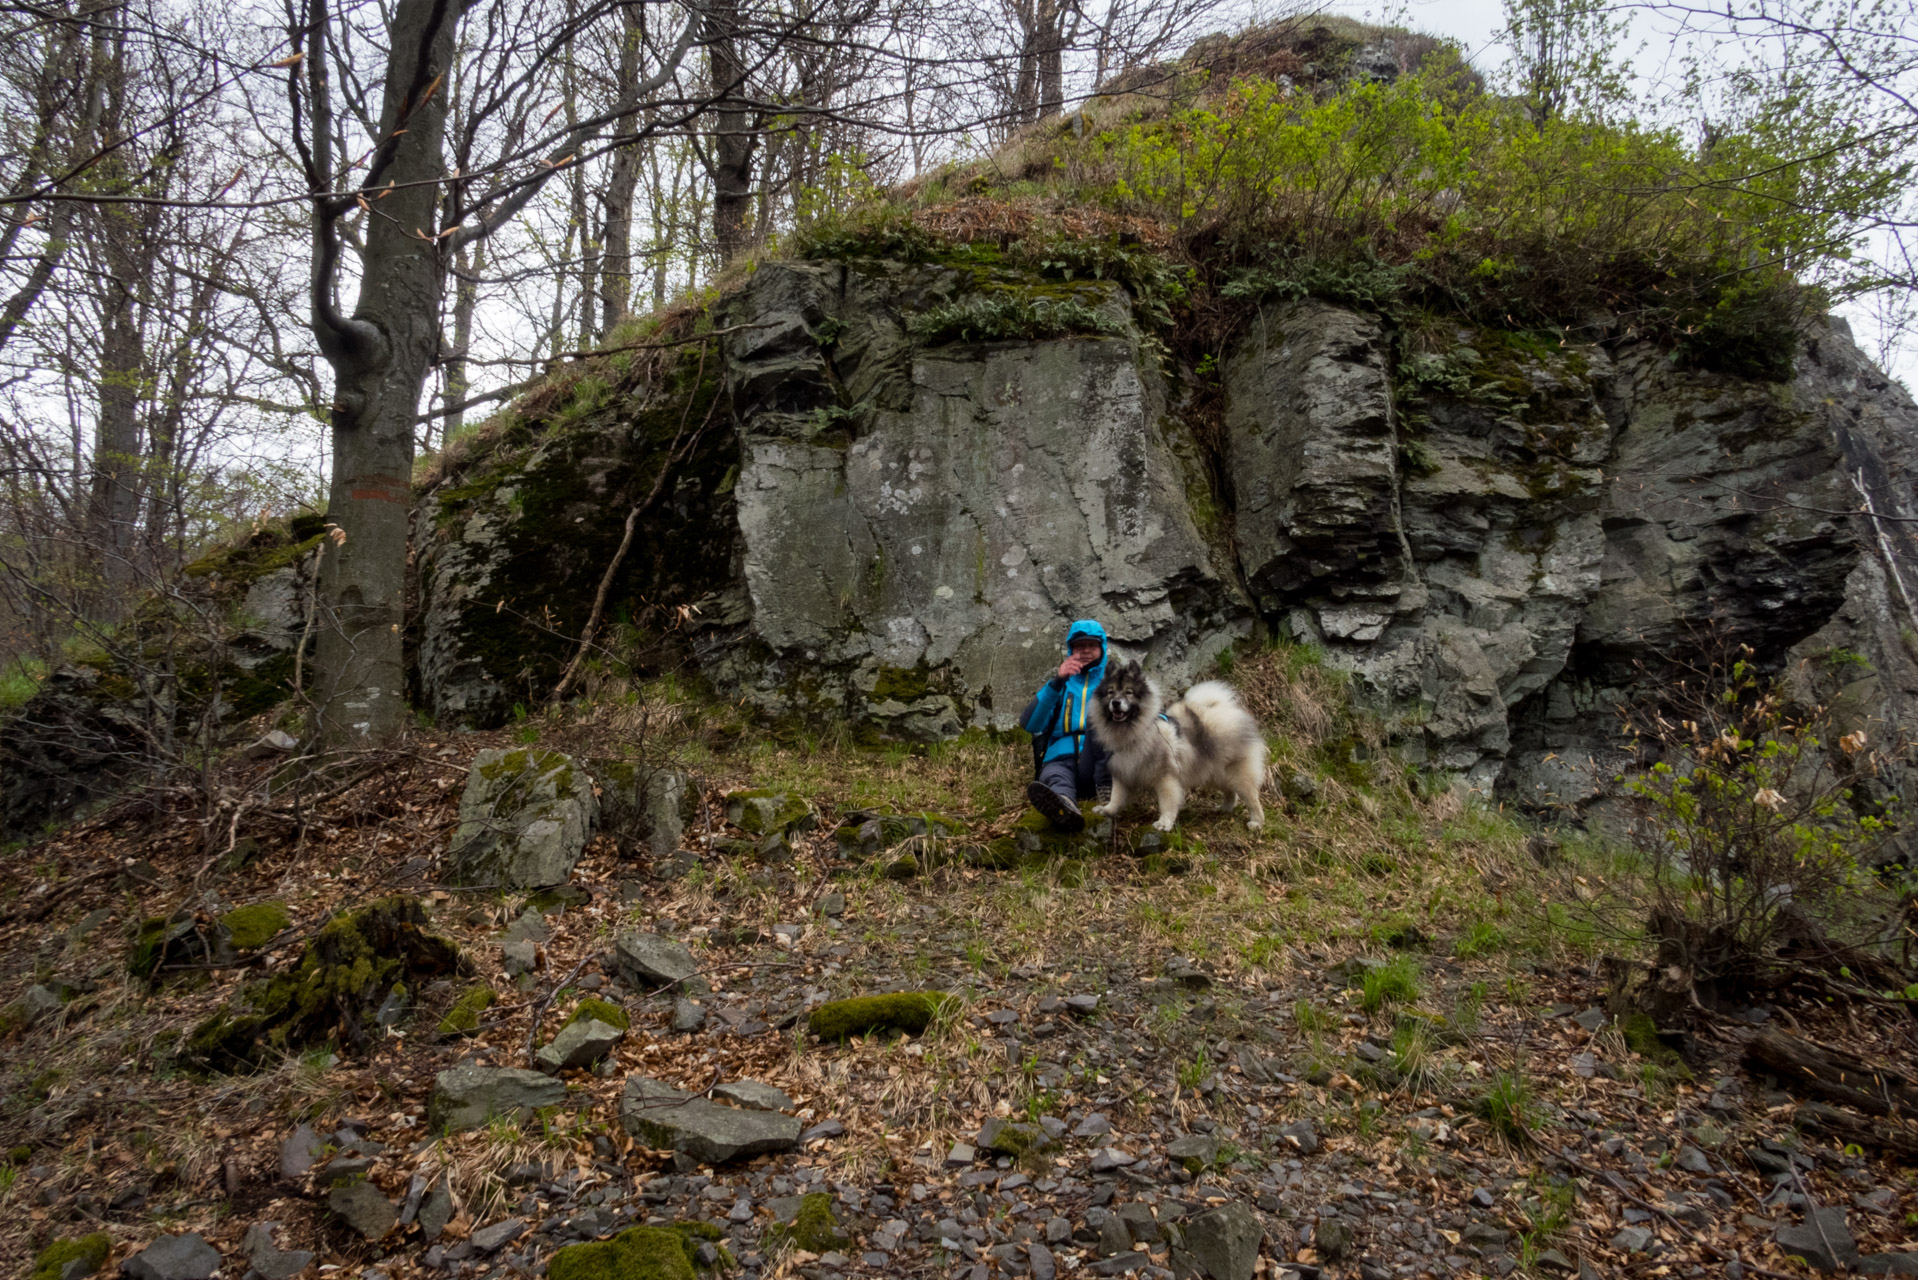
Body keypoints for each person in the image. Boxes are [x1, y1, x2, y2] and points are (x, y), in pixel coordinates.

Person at [1020, 618, 1112, 833]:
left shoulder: (1114, 681)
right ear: (1071, 649)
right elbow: (1030, 724)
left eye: (1092, 645)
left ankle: (1108, 797)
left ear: (1102, 647)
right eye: (1080, 646)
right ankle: (1064, 805)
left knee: (1110, 762)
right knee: (1055, 774)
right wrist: (1057, 682)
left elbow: (1141, 710)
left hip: (1100, 759)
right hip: (1061, 756)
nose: (1086, 651)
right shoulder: (1060, 684)